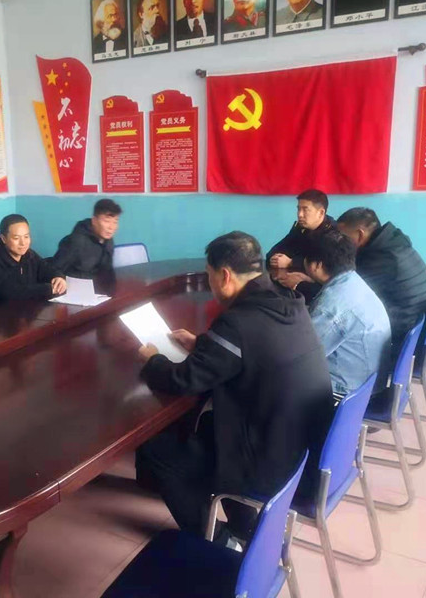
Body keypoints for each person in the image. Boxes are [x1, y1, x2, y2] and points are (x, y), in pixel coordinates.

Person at [135, 232, 332, 541]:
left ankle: (216, 541)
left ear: (225, 276)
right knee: (206, 425)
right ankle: (244, 525)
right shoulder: (287, 300)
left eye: (209, 275)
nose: (210, 283)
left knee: (158, 451)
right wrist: (203, 343)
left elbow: (184, 380)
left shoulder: (237, 320)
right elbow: (255, 347)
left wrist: (153, 360)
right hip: (300, 444)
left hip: (270, 459)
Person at [337, 208, 426, 365]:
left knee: (334, 340)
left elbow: (347, 292)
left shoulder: (383, 258)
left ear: (360, 234)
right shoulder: (393, 243)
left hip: (404, 345)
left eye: (344, 237)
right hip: (416, 332)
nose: (340, 243)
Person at [304, 229, 391, 396]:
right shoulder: (352, 281)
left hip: (349, 394)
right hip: (369, 381)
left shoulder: (330, 308)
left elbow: (302, 355)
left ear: (317, 265)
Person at [0, 214, 67, 305]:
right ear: (4, 239)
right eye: (16, 238)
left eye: (26, 236)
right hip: (1, 311)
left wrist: (58, 277)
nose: (23, 243)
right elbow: (11, 292)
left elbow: (47, 269)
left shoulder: (29, 254)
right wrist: (48, 289)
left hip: (29, 308)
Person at [267, 188, 335, 300]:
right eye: (298, 209)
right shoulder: (301, 227)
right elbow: (280, 247)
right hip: (291, 280)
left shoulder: (333, 234)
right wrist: (275, 258)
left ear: (321, 212)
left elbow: (323, 267)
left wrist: (291, 262)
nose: (300, 215)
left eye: (305, 210)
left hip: (317, 290)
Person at [51, 199, 122, 279]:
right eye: (107, 221)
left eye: (115, 222)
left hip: (98, 283)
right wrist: (59, 278)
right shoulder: (76, 241)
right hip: (76, 283)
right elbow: (54, 269)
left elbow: (107, 270)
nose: (111, 227)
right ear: (94, 221)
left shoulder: (108, 240)